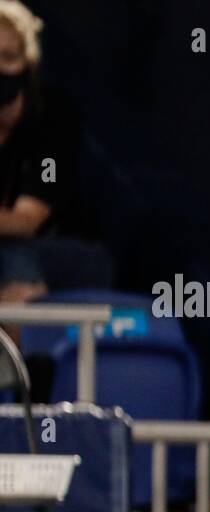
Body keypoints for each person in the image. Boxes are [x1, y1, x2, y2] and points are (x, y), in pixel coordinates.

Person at [0, 0, 110, 346]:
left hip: (62, 253)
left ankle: (20, 392)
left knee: (15, 258)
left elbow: (25, 222)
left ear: (28, 65)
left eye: (9, 57)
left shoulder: (52, 121)